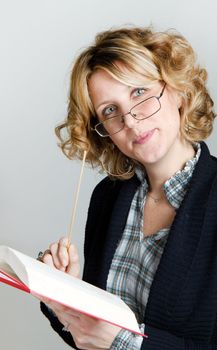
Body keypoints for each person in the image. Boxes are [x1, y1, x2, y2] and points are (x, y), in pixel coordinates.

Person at [37, 26, 217, 349]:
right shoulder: (107, 197)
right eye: (110, 110)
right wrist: (65, 296)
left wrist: (127, 341)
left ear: (176, 89)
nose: (130, 121)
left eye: (139, 92)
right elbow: (90, 339)